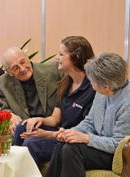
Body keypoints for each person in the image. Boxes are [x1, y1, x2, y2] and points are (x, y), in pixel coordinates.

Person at [13, 36, 96, 167]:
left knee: (31, 144)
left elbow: (86, 130)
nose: (58, 57)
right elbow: (55, 119)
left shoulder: (93, 89)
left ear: (76, 57)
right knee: (22, 126)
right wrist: (40, 119)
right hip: (59, 131)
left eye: (61, 54)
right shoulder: (65, 82)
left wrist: (48, 134)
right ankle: (11, 170)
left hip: (71, 140)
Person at [45, 53, 130, 177]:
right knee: (62, 146)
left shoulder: (127, 104)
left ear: (106, 86)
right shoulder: (104, 91)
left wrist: (87, 138)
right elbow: (90, 121)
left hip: (117, 155)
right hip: (100, 146)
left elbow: (118, 145)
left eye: (92, 82)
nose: (90, 85)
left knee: (71, 150)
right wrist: (69, 133)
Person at [0, 47, 64, 134]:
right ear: (9, 73)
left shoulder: (54, 70)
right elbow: (4, 107)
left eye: (23, 62)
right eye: (15, 68)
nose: (22, 69)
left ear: (28, 58)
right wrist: (10, 115)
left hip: (52, 125)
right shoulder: (1, 84)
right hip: (24, 127)